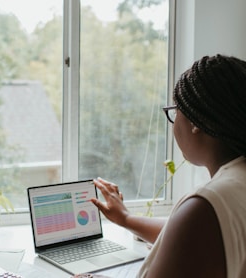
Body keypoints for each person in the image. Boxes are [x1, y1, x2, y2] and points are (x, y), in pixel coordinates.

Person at [91, 54, 246, 278]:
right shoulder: (233, 188)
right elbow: (189, 237)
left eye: (175, 111)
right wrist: (125, 218)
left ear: (195, 122)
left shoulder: (208, 204)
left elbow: (193, 230)